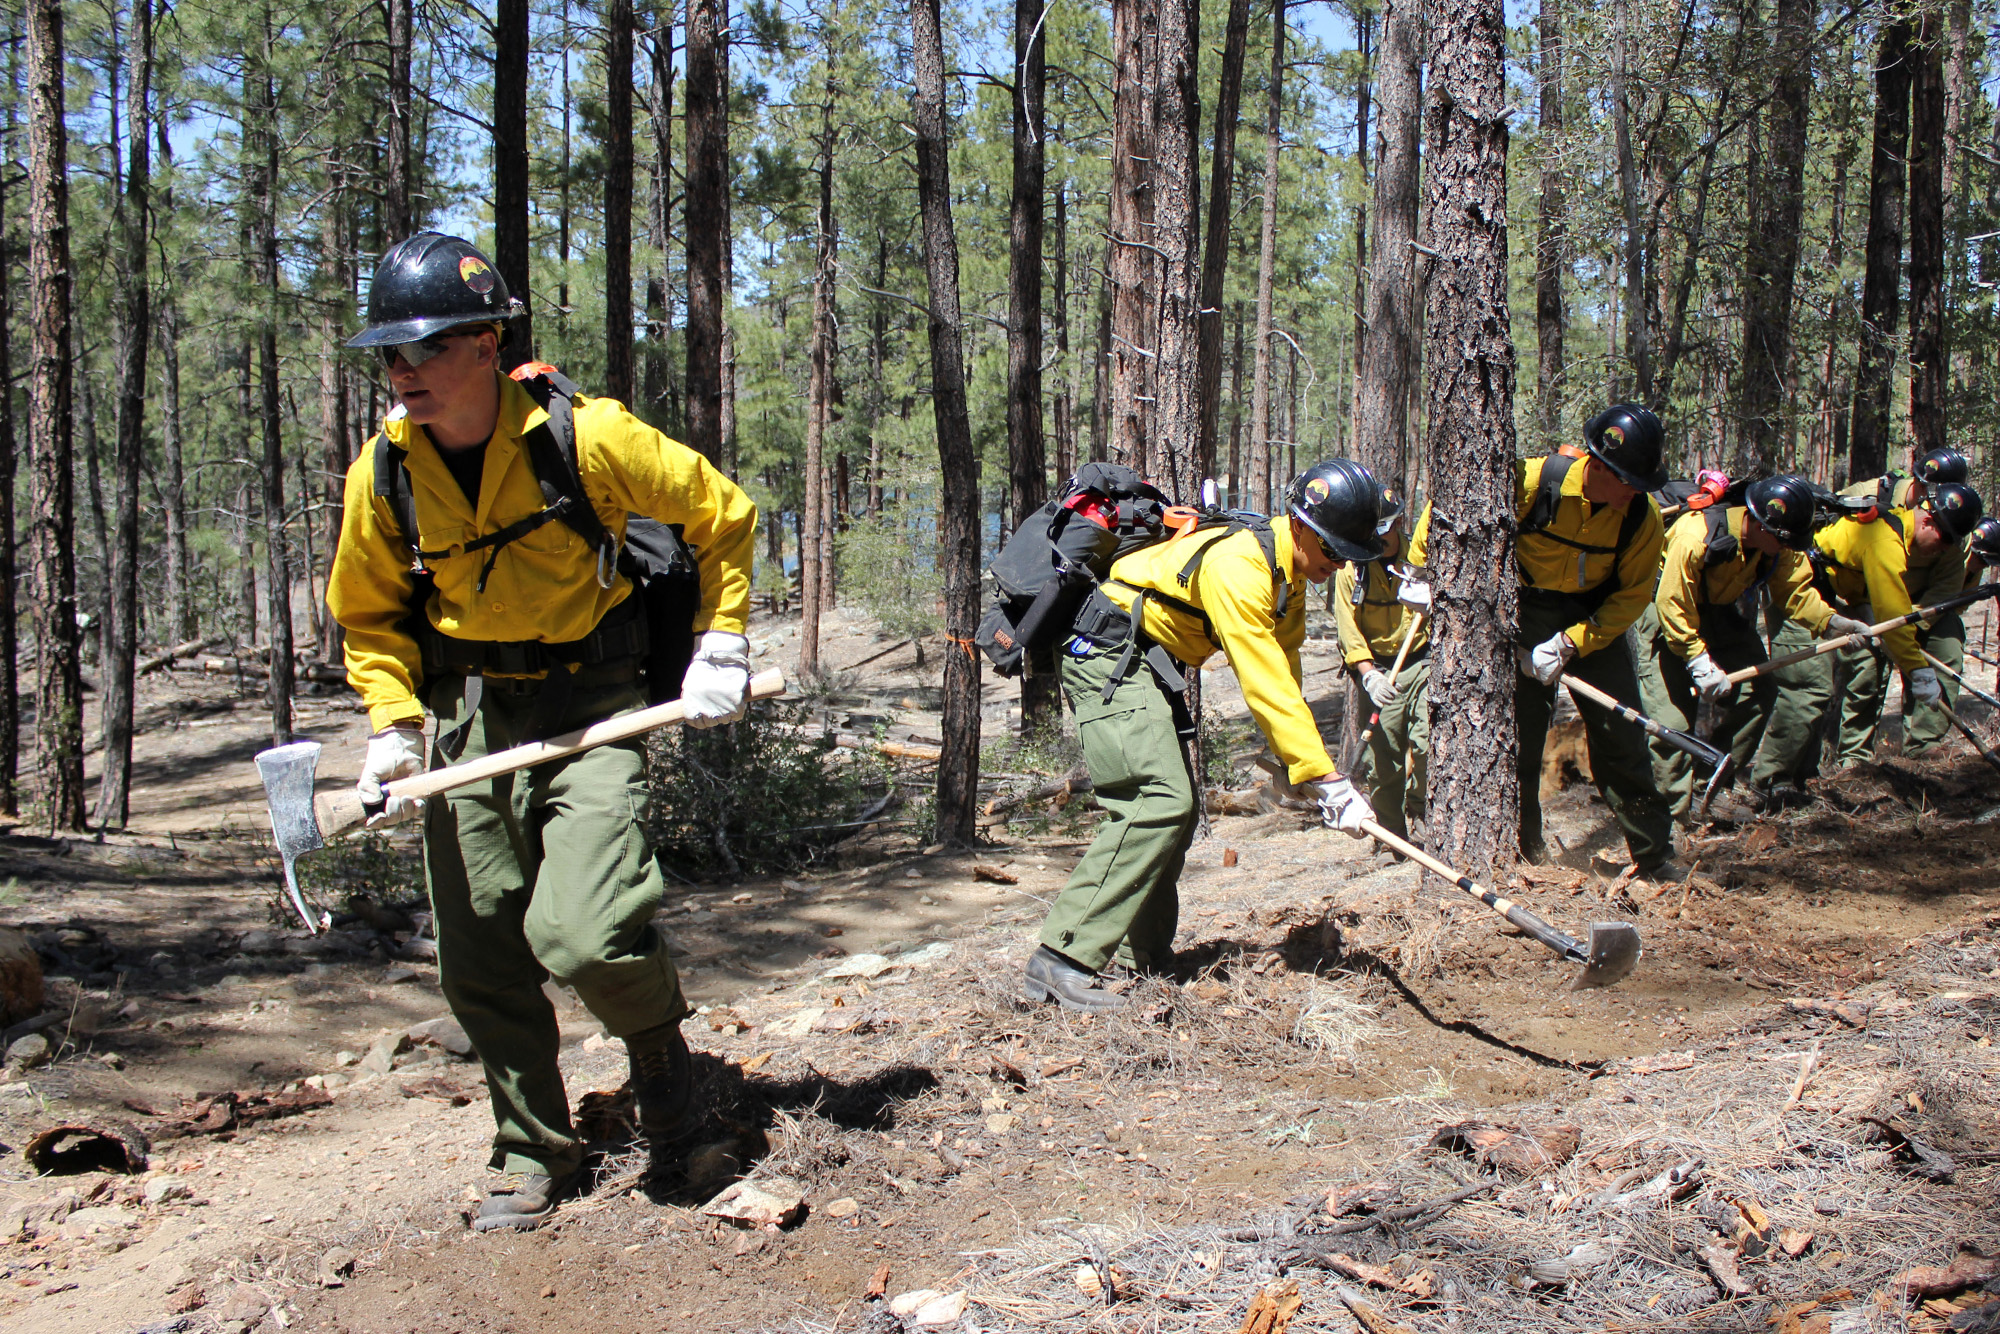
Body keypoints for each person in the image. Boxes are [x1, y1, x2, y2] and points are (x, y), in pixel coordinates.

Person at [326, 233, 759, 1232]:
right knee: (480, 956)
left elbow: (721, 514)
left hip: (596, 706)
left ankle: (663, 1068)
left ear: (485, 343)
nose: (401, 375)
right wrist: (393, 727)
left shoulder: (588, 437)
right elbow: (368, 612)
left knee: (585, 929)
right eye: (387, 355)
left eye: (423, 350)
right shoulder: (383, 471)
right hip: (470, 717)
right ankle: (532, 1147)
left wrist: (722, 637)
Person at [1024, 460, 1383, 1012]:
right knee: (1156, 800)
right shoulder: (1243, 566)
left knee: (1177, 810)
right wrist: (1328, 778)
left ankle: (1140, 961)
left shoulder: (1287, 574)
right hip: (1104, 653)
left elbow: (1283, 672)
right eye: (1334, 552)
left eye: (1346, 558)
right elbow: (1259, 676)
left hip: (1144, 661)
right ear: (1303, 526)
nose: (1336, 566)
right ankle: (1062, 960)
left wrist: (1297, 768)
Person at [1409, 404, 1678, 876]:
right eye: (1629, 481)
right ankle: (1527, 856)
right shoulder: (1532, 482)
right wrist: (1419, 570)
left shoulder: (1641, 519)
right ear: (1599, 466)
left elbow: (1633, 596)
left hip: (1593, 621)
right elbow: (1452, 505)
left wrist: (1572, 643)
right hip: (1525, 612)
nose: (1635, 492)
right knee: (1519, 741)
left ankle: (1655, 857)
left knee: (1623, 739)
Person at [1749, 485, 1979, 797]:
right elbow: (1894, 616)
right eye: (1946, 538)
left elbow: (1865, 587)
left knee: (1835, 680)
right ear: (1927, 522)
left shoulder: (1896, 529)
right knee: (1809, 687)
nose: (1946, 549)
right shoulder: (1885, 541)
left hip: (1825, 595)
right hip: (1796, 590)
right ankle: (1769, 785)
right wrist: (1918, 670)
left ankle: (1800, 781)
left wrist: (1864, 611)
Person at [1632, 476, 1838, 820]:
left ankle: (1708, 785)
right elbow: (1672, 603)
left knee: (1759, 692)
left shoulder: (1776, 546)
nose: (1787, 549)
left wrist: (1832, 622)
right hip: (1668, 615)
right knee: (1670, 723)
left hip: (1716, 612)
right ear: (1759, 523)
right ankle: (1670, 819)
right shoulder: (1694, 535)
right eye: (1783, 541)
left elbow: (1793, 592)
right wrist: (1698, 660)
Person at [1834, 463, 1983, 761]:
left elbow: (1944, 594)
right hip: (1860, 600)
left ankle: (1923, 743)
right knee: (1866, 665)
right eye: (1929, 487)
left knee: (1948, 641)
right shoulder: (1871, 500)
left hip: (1914, 612)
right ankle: (1854, 756)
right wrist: (1877, 618)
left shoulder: (1953, 532)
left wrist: (1905, 625)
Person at [1332, 485, 1430, 841]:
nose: (1380, 538)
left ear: (1400, 522)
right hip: (1378, 671)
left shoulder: (1421, 558)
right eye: (1373, 531)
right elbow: (1347, 628)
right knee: (1382, 760)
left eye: (1386, 528)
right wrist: (1368, 674)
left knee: (1428, 742)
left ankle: (1423, 813)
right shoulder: (1351, 570)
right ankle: (1392, 837)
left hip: (1422, 661)